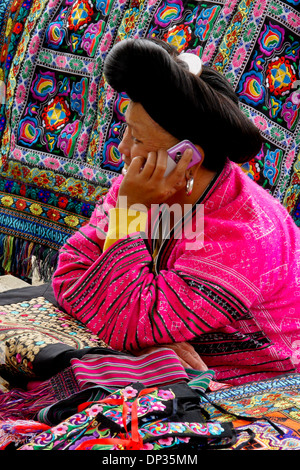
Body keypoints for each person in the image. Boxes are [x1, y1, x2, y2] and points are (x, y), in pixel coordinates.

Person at [52, 38, 300, 386]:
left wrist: (136, 325)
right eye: (127, 129)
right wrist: (150, 334)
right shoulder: (142, 187)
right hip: (182, 361)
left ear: (186, 157)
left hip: (251, 381)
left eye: (136, 138)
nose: (122, 148)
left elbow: (125, 321)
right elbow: (69, 271)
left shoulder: (245, 235)